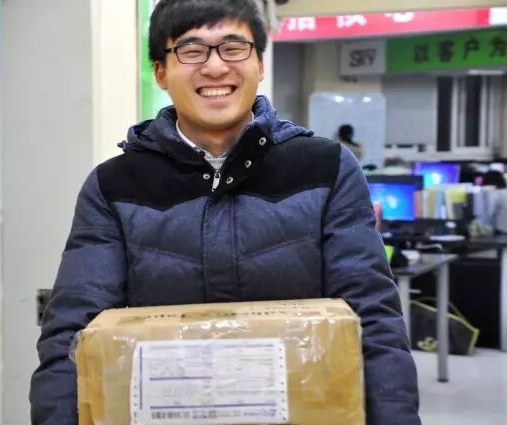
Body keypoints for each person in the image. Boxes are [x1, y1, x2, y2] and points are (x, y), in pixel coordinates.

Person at [30, 1, 420, 424]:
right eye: (191, 51)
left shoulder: (326, 169)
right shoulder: (114, 186)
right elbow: (72, 334)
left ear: (259, 63)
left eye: (233, 48)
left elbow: (373, 320)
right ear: (160, 72)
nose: (215, 67)